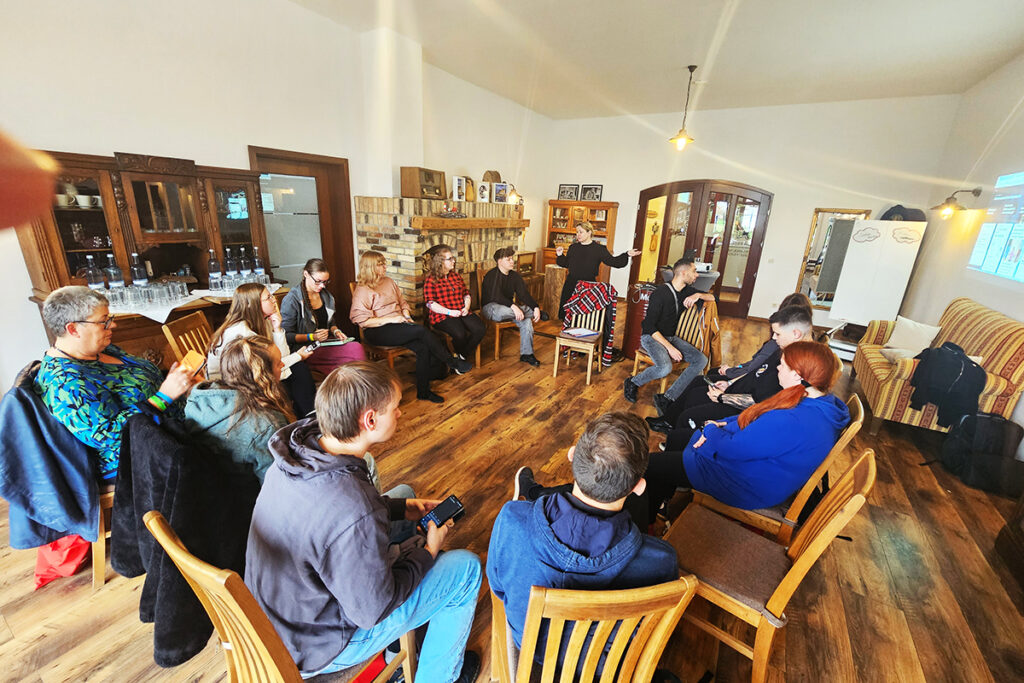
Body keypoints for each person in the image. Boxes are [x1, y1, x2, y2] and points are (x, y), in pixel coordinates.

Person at [245, 362, 482, 682]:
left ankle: (413, 633)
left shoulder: (297, 451)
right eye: (395, 408)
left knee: (404, 492)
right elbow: (371, 611)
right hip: (319, 643)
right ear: (370, 420)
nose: (400, 413)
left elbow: (336, 518)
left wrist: (404, 507)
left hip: (282, 614)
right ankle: (438, 676)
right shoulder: (354, 509)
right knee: (465, 570)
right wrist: (428, 551)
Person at [487, 412, 678, 664]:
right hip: (603, 665)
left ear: (571, 454)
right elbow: (653, 626)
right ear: (638, 487)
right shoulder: (660, 560)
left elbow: (498, 587)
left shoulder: (510, 519)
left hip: (530, 648)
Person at [642, 341, 850, 521]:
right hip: (767, 471)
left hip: (747, 482)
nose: (777, 368)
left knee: (649, 466)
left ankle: (646, 524)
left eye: (782, 365)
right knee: (678, 437)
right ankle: (663, 503)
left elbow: (734, 450)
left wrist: (711, 430)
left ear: (797, 376)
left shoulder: (793, 420)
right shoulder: (822, 403)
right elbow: (758, 418)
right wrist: (724, 423)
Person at [34, 286, 197, 481]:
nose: (113, 326)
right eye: (104, 322)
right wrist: (163, 397)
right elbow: (107, 436)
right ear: (73, 329)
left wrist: (176, 383)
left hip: (170, 431)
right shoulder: (65, 381)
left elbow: (140, 380)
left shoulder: (100, 350)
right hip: (135, 460)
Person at [648, 305, 814, 450]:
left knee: (690, 409)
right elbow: (754, 373)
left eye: (777, 333)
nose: (773, 338)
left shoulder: (796, 367)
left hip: (742, 409)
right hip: (736, 392)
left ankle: (681, 449)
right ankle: (673, 428)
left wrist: (722, 397)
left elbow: (762, 403)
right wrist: (729, 383)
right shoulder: (784, 350)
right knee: (698, 385)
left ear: (796, 333)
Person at [350, 250, 472, 403]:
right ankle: (451, 362)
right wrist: (392, 319)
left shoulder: (388, 281)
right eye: (381, 264)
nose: (385, 266)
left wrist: (406, 316)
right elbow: (361, 320)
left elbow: (402, 303)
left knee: (422, 348)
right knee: (421, 330)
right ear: (370, 267)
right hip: (376, 330)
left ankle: (423, 392)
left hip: (399, 324)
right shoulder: (363, 290)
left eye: (384, 263)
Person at [185, 337, 296, 484]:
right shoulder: (266, 426)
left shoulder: (199, 402)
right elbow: (277, 484)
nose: (282, 364)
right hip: (250, 498)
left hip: (216, 491)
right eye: (277, 363)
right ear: (263, 376)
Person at [208, 282, 316, 417]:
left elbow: (278, 358)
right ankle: (309, 417)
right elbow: (271, 366)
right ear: (251, 304)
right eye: (268, 298)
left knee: (297, 369)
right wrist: (298, 356)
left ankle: (307, 416)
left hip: (247, 376)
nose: (274, 300)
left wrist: (277, 329)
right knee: (297, 372)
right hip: (230, 387)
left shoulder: (260, 321)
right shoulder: (243, 333)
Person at [623, 257, 714, 405]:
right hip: (652, 337)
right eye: (694, 271)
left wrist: (698, 295)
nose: (697, 275)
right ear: (683, 273)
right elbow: (649, 327)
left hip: (670, 337)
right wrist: (670, 348)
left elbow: (714, 298)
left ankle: (668, 397)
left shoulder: (687, 291)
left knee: (701, 360)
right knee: (665, 367)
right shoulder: (660, 293)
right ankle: (633, 382)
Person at [280, 257, 367, 376]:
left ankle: (352, 387)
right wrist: (312, 336)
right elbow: (286, 336)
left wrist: (336, 331)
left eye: (325, 282)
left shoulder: (325, 295)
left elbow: (330, 322)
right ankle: (354, 386)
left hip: (325, 343)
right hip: (305, 349)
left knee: (356, 348)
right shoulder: (292, 299)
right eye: (318, 281)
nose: (322, 286)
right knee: (353, 355)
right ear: (306, 274)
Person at [712, 292, 813, 382]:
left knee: (708, 376)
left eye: (777, 334)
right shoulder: (806, 345)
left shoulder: (775, 346)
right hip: (749, 378)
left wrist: (730, 373)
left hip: (747, 381)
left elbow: (752, 371)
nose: (774, 337)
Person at [555, 221, 640, 318]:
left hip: (588, 286)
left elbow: (614, 261)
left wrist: (627, 254)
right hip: (571, 284)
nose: (578, 235)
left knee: (585, 317)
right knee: (568, 316)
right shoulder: (573, 247)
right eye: (577, 232)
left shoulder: (599, 249)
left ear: (589, 232)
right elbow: (566, 263)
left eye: (581, 232)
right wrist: (560, 255)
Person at [480, 246, 547, 367]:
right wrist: (514, 306)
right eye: (508, 259)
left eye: (512, 259)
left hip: (511, 309)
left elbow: (524, 294)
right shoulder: (491, 275)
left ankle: (527, 354)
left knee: (526, 322)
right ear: (499, 261)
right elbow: (496, 296)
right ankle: (530, 312)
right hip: (492, 308)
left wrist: (535, 306)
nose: (512, 262)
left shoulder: (515, 276)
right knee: (501, 312)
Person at [423, 244, 485, 362]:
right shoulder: (431, 280)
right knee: (460, 334)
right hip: (442, 315)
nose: (454, 261)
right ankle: (459, 357)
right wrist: (449, 312)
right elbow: (430, 303)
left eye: (453, 258)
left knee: (480, 328)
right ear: (440, 262)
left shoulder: (455, 276)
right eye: (450, 259)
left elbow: (466, 293)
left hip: (461, 310)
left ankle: (461, 357)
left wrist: (466, 307)